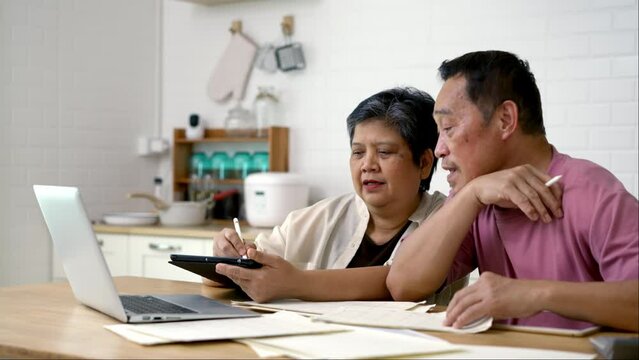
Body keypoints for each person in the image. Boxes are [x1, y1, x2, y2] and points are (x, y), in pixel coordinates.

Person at [387, 50, 639, 332]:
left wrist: (535, 294)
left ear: (506, 119)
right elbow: (402, 285)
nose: (439, 149)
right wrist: (472, 195)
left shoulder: (590, 190)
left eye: (448, 128)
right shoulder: (474, 196)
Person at [206, 87, 466, 303]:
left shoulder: (449, 218)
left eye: (384, 152)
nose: (368, 165)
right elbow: (233, 276)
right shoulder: (321, 217)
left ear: (423, 163)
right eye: (358, 152)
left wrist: (293, 282)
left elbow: (394, 281)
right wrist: (225, 259)